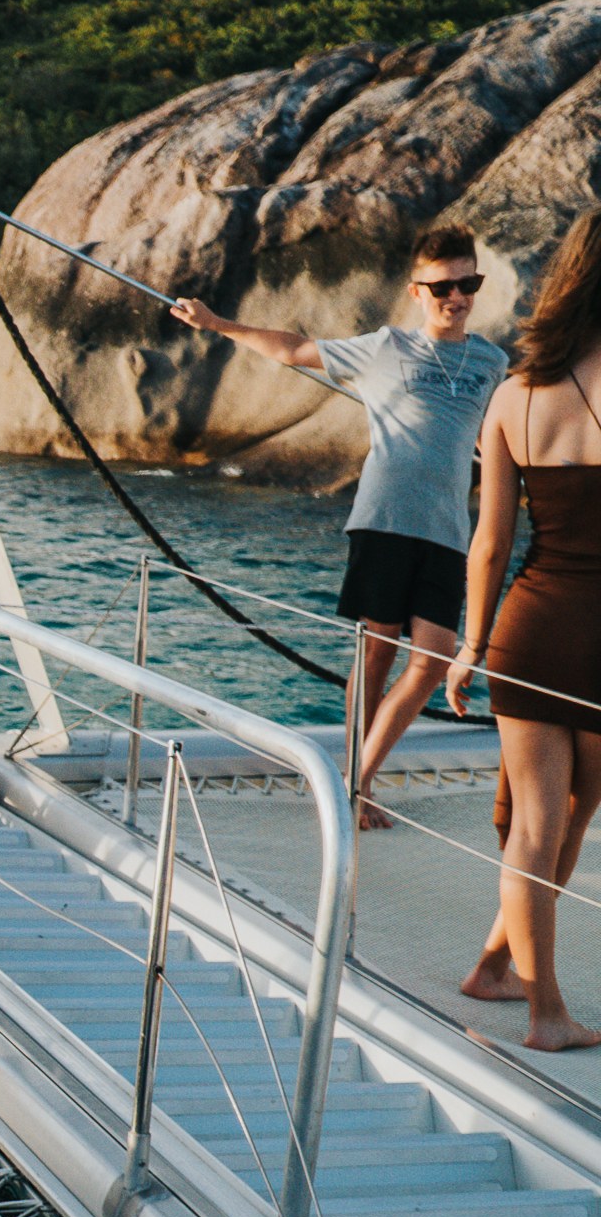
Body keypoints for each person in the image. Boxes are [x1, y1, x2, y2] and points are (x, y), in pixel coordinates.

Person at [173, 224, 508, 828]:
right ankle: (361, 785)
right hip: (383, 519)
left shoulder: (492, 361)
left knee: (432, 662)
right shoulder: (387, 348)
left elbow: (499, 432)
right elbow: (296, 349)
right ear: (416, 291)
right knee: (376, 654)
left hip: (448, 530)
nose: (456, 297)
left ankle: (355, 777)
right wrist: (219, 325)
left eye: (468, 283)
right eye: (442, 287)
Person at [448, 211, 601, 1051]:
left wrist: (470, 645)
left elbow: (492, 541)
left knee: (538, 822)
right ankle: (545, 1016)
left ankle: (504, 975)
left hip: (530, 624)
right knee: (572, 819)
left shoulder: (514, 392)